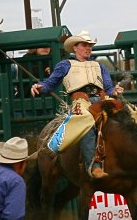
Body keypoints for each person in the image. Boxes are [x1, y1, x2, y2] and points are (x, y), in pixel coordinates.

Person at [31, 30, 124, 179]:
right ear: (75, 47)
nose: (88, 48)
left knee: (128, 113)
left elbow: (108, 87)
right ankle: (93, 165)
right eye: (84, 45)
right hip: (81, 102)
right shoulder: (65, 65)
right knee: (86, 121)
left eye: (90, 45)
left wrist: (115, 90)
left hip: (102, 99)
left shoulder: (98, 65)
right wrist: (39, 86)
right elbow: (50, 84)